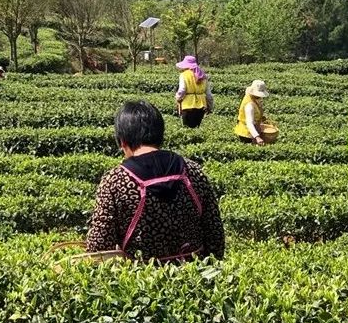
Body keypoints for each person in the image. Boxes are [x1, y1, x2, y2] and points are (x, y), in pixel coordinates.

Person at [87, 101, 225, 262]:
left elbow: (99, 245)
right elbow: (214, 233)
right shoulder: (193, 171)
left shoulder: (116, 180)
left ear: (123, 141)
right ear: (160, 134)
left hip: (141, 281)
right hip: (195, 276)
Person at [174, 55, 213, 129]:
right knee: (196, 128)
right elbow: (209, 94)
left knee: (187, 128)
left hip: (188, 105)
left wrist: (178, 98)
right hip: (201, 106)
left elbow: (182, 89)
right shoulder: (203, 76)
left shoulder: (184, 75)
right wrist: (210, 107)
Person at [234, 80, 272, 144]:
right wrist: (257, 137)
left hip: (253, 130)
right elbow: (249, 123)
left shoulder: (253, 97)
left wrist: (260, 117)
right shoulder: (249, 105)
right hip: (246, 134)